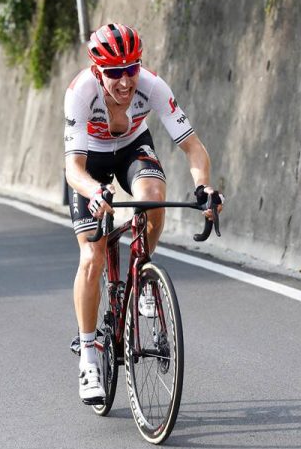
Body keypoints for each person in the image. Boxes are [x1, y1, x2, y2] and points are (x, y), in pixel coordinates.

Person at [64, 23, 224, 403]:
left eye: (131, 69)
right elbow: (74, 169)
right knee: (93, 252)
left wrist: (204, 187)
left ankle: (141, 274)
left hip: (133, 145)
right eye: (114, 73)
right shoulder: (80, 93)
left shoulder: (152, 86)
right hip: (91, 162)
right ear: (97, 71)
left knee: (153, 195)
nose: (124, 81)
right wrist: (94, 191)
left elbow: (194, 148)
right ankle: (89, 354)